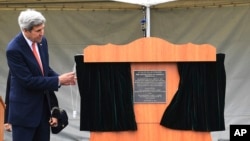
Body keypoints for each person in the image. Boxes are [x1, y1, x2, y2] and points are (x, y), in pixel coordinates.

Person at [5, 9, 76, 141]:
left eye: (43, 28)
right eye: (38, 31)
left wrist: (63, 79)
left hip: (42, 112)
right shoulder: (14, 49)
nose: (42, 33)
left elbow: (44, 69)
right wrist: (57, 80)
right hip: (24, 113)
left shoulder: (42, 42)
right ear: (25, 30)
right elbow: (28, 81)